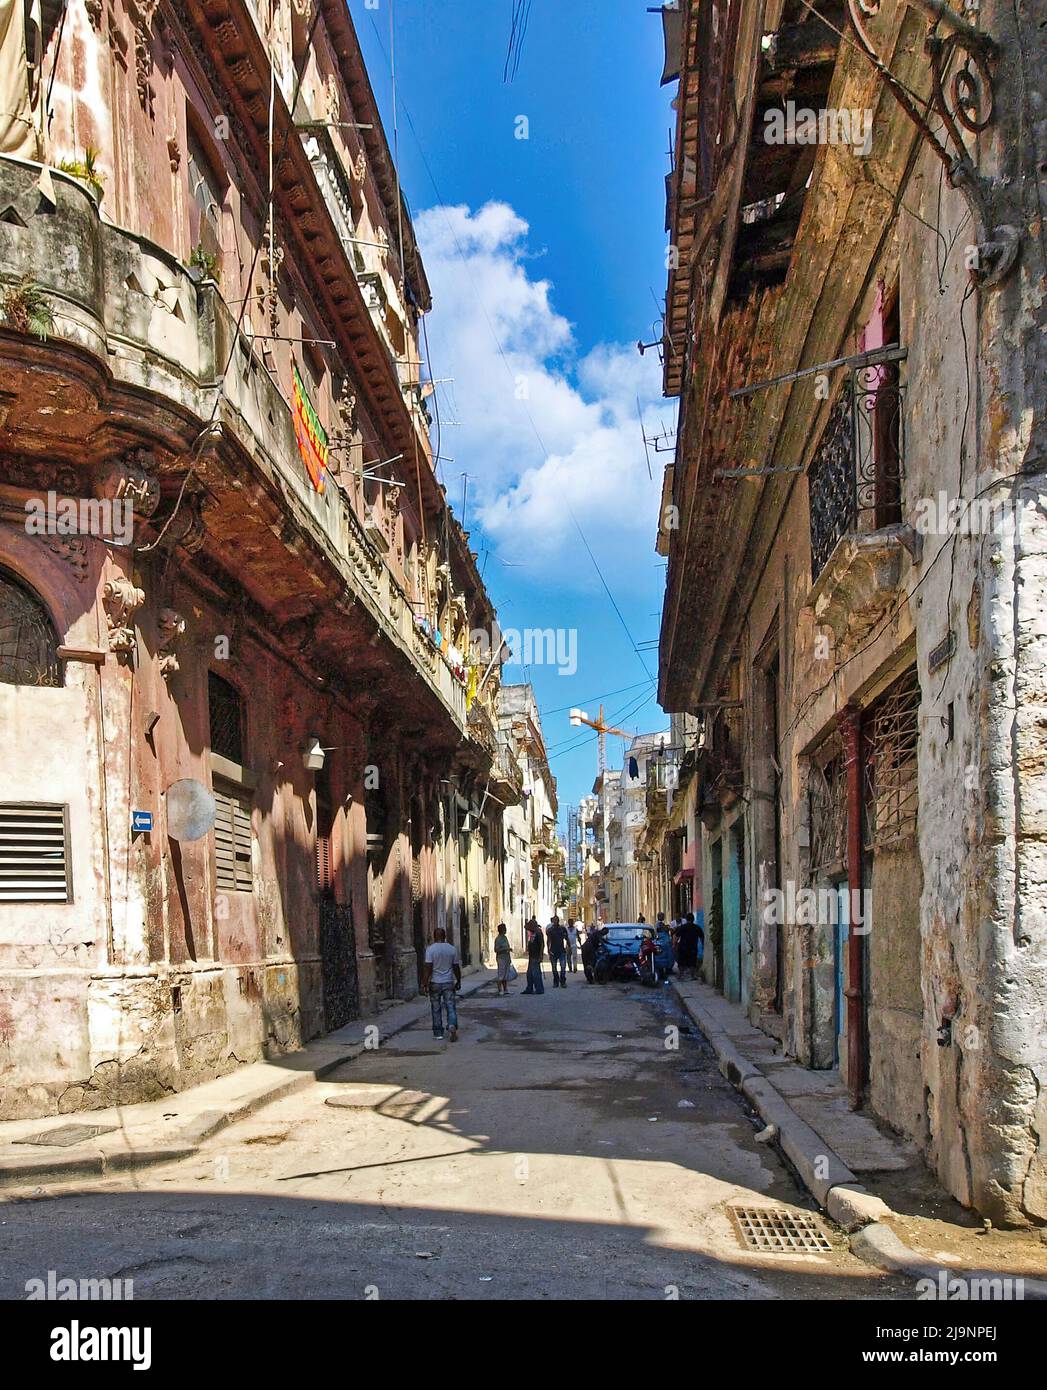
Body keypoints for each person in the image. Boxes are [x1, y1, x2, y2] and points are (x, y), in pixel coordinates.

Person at [421, 926, 461, 1040]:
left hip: (435, 982)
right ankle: (452, 1024)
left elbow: (428, 968)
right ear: (445, 936)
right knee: (450, 1006)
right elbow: (456, 967)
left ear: (434, 937)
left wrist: (424, 983)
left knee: (435, 1007)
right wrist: (458, 980)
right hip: (448, 981)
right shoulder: (452, 949)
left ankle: (438, 1033)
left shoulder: (430, 950)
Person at [674, 911, 701, 981]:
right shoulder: (697, 927)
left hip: (683, 947)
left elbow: (676, 936)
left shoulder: (682, 927)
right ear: (693, 919)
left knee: (681, 962)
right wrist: (703, 945)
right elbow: (702, 937)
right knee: (692, 962)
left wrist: (674, 944)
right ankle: (693, 976)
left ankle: (681, 976)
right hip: (693, 947)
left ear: (686, 919)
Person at [522, 919, 545, 994]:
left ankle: (539, 989)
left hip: (536, 956)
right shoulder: (533, 933)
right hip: (532, 956)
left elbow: (542, 945)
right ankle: (530, 988)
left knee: (536, 974)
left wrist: (541, 955)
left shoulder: (538, 933)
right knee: (530, 974)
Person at [546, 914, 569, 988]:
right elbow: (548, 941)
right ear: (552, 921)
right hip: (553, 951)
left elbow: (566, 938)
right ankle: (556, 981)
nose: (555, 921)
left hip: (561, 950)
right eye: (554, 920)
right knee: (554, 968)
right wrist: (548, 950)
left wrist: (569, 947)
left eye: (556, 920)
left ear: (558, 921)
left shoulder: (562, 929)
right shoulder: (550, 930)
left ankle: (563, 981)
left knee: (563, 967)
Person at [494, 922, 513, 995]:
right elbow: (496, 950)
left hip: (506, 957)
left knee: (506, 974)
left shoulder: (505, 937)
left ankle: (505, 989)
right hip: (501, 958)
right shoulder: (498, 939)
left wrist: (508, 949)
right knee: (501, 974)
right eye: (504, 929)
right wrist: (505, 949)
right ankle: (499, 990)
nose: (506, 930)